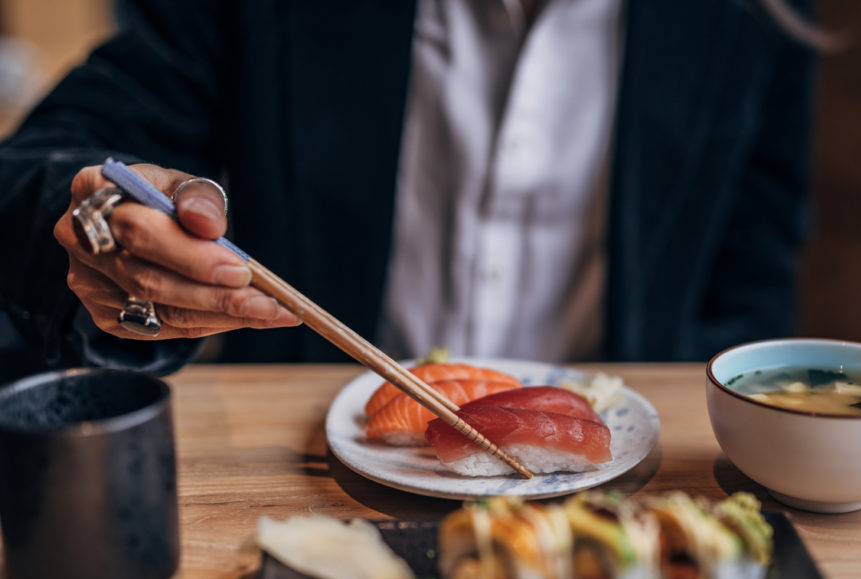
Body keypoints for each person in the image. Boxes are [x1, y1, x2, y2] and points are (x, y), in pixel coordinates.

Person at [0, 0, 816, 377]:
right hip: (320, 469)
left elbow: (749, 278)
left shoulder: (750, 19)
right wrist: (111, 235)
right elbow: (36, 168)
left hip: (620, 478)